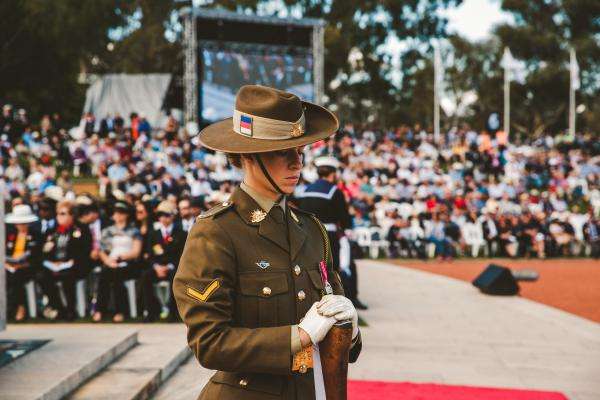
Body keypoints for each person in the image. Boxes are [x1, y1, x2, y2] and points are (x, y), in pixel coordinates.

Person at [174, 85, 361, 400]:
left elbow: (338, 343)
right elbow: (209, 342)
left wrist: (350, 331)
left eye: (299, 151)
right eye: (281, 152)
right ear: (248, 155)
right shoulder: (217, 232)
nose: (296, 163)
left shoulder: (312, 230)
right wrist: (298, 336)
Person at [296, 156, 367, 310]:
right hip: (331, 236)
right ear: (333, 173)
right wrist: (348, 230)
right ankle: (350, 297)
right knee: (342, 266)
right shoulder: (335, 191)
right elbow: (344, 217)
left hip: (309, 235)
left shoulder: (306, 190)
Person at [37, 200, 92, 320]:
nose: (59, 217)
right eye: (58, 214)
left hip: (75, 265)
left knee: (68, 276)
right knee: (41, 276)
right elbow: (44, 251)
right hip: (54, 265)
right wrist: (50, 259)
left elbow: (84, 251)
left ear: (72, 215)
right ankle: (58, 308)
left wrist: (68, 262)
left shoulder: (81, 229)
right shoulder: (53, 230)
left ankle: (71, 309)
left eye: (63, 214)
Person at [93, 201, 143, 322]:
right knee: (104, 275)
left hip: (128, 262)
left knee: (117, 276)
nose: (118, 216)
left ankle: (120, 311)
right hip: (111, 262)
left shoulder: (134, 231)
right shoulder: (107, 231)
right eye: (116, 213)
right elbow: (101, 250)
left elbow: (136, 251)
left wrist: (121, 258)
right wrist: (108, 261)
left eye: (121, 213)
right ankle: (100, 309)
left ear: (126, 215)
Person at [141, 200, 186, 321]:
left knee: (176, 278)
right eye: (160, 215)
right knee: (145, 276)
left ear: (173, 216)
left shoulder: (181, 234)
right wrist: (156, 266)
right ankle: (151, 312)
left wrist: (170, 266)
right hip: (157, 267)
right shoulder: (153, 234)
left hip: (173, 268)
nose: (163, 218)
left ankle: (173, 312)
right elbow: (150, 255)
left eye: (166, 215)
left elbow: (182, 255)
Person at [5, 205, 42, 321]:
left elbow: (36, 255)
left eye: (23, 223)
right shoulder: (10, 235)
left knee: (16, 278)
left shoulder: (35, 235)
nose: (20, 226)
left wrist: (22, 264)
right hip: (9, 266)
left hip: (27, 267)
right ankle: (7, 308)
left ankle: (19, 307)